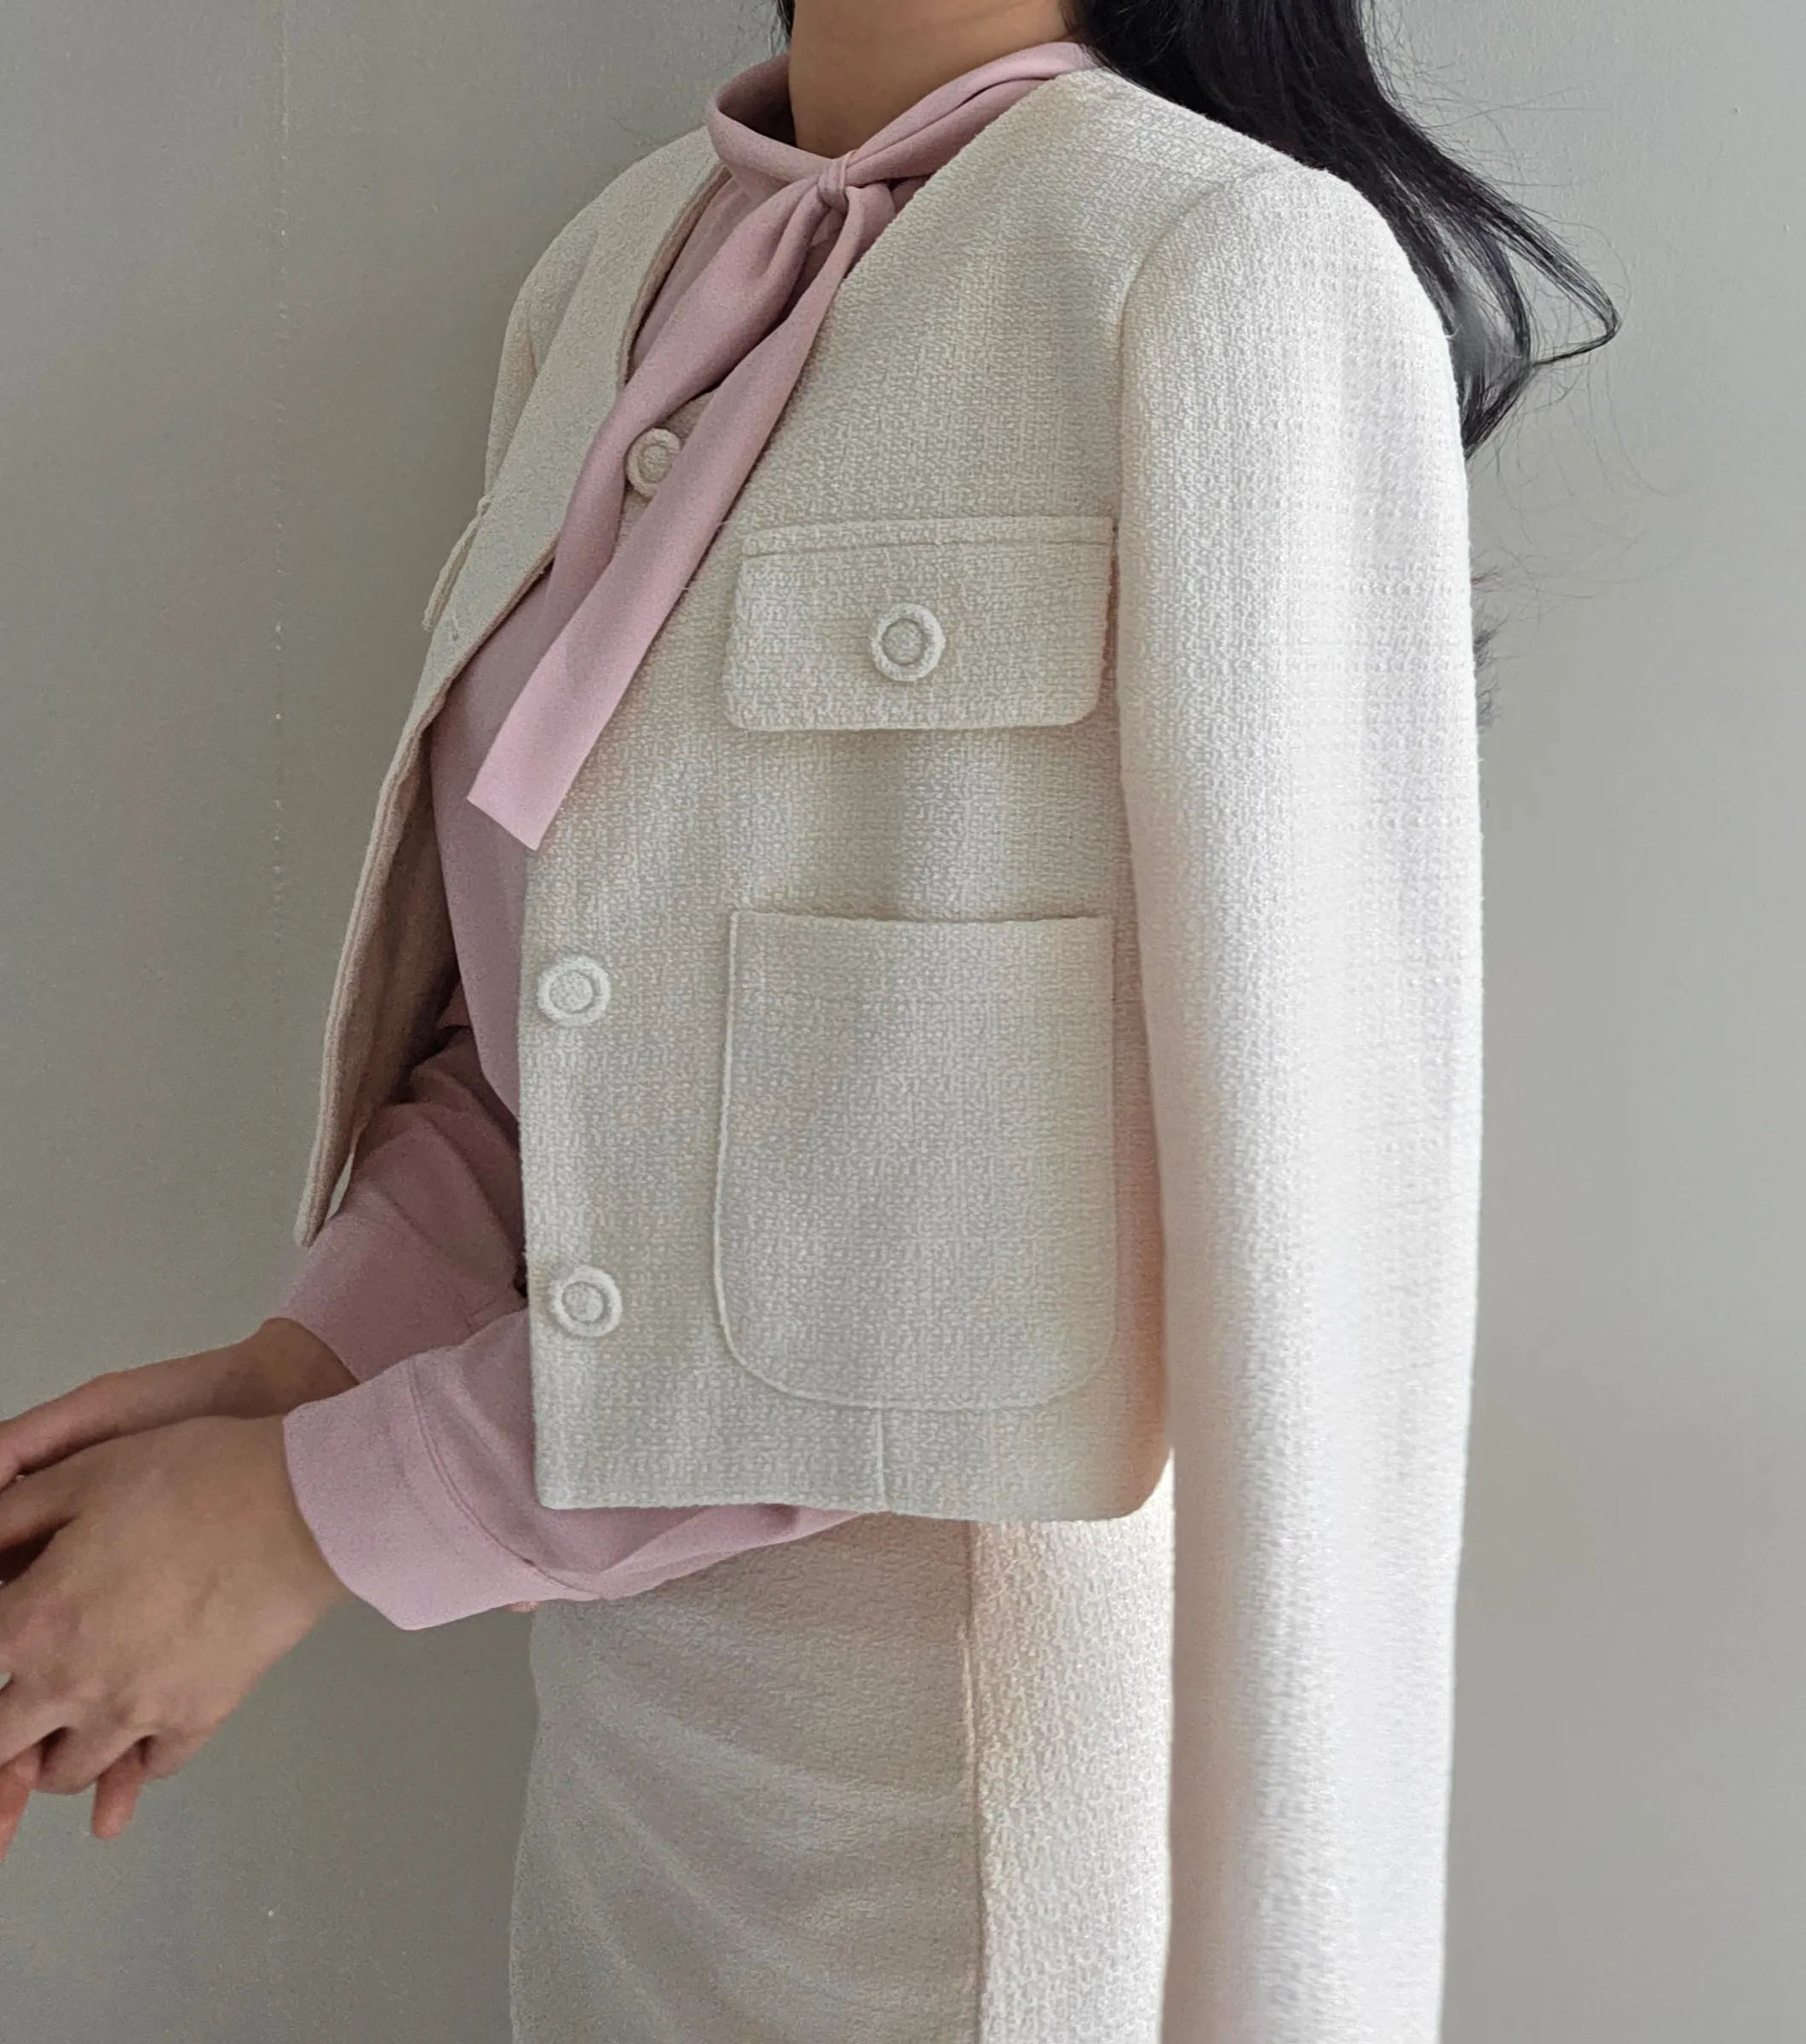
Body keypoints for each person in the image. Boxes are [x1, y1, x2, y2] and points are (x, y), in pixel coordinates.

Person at [0, 0, 1614, 2035]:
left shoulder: (1219, 265)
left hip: (974, 1877)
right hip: (632, 1814)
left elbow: (1043, 1231)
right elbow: (568, 1048)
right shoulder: (617, 265)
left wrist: (312, 1516)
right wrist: (292, 1379)